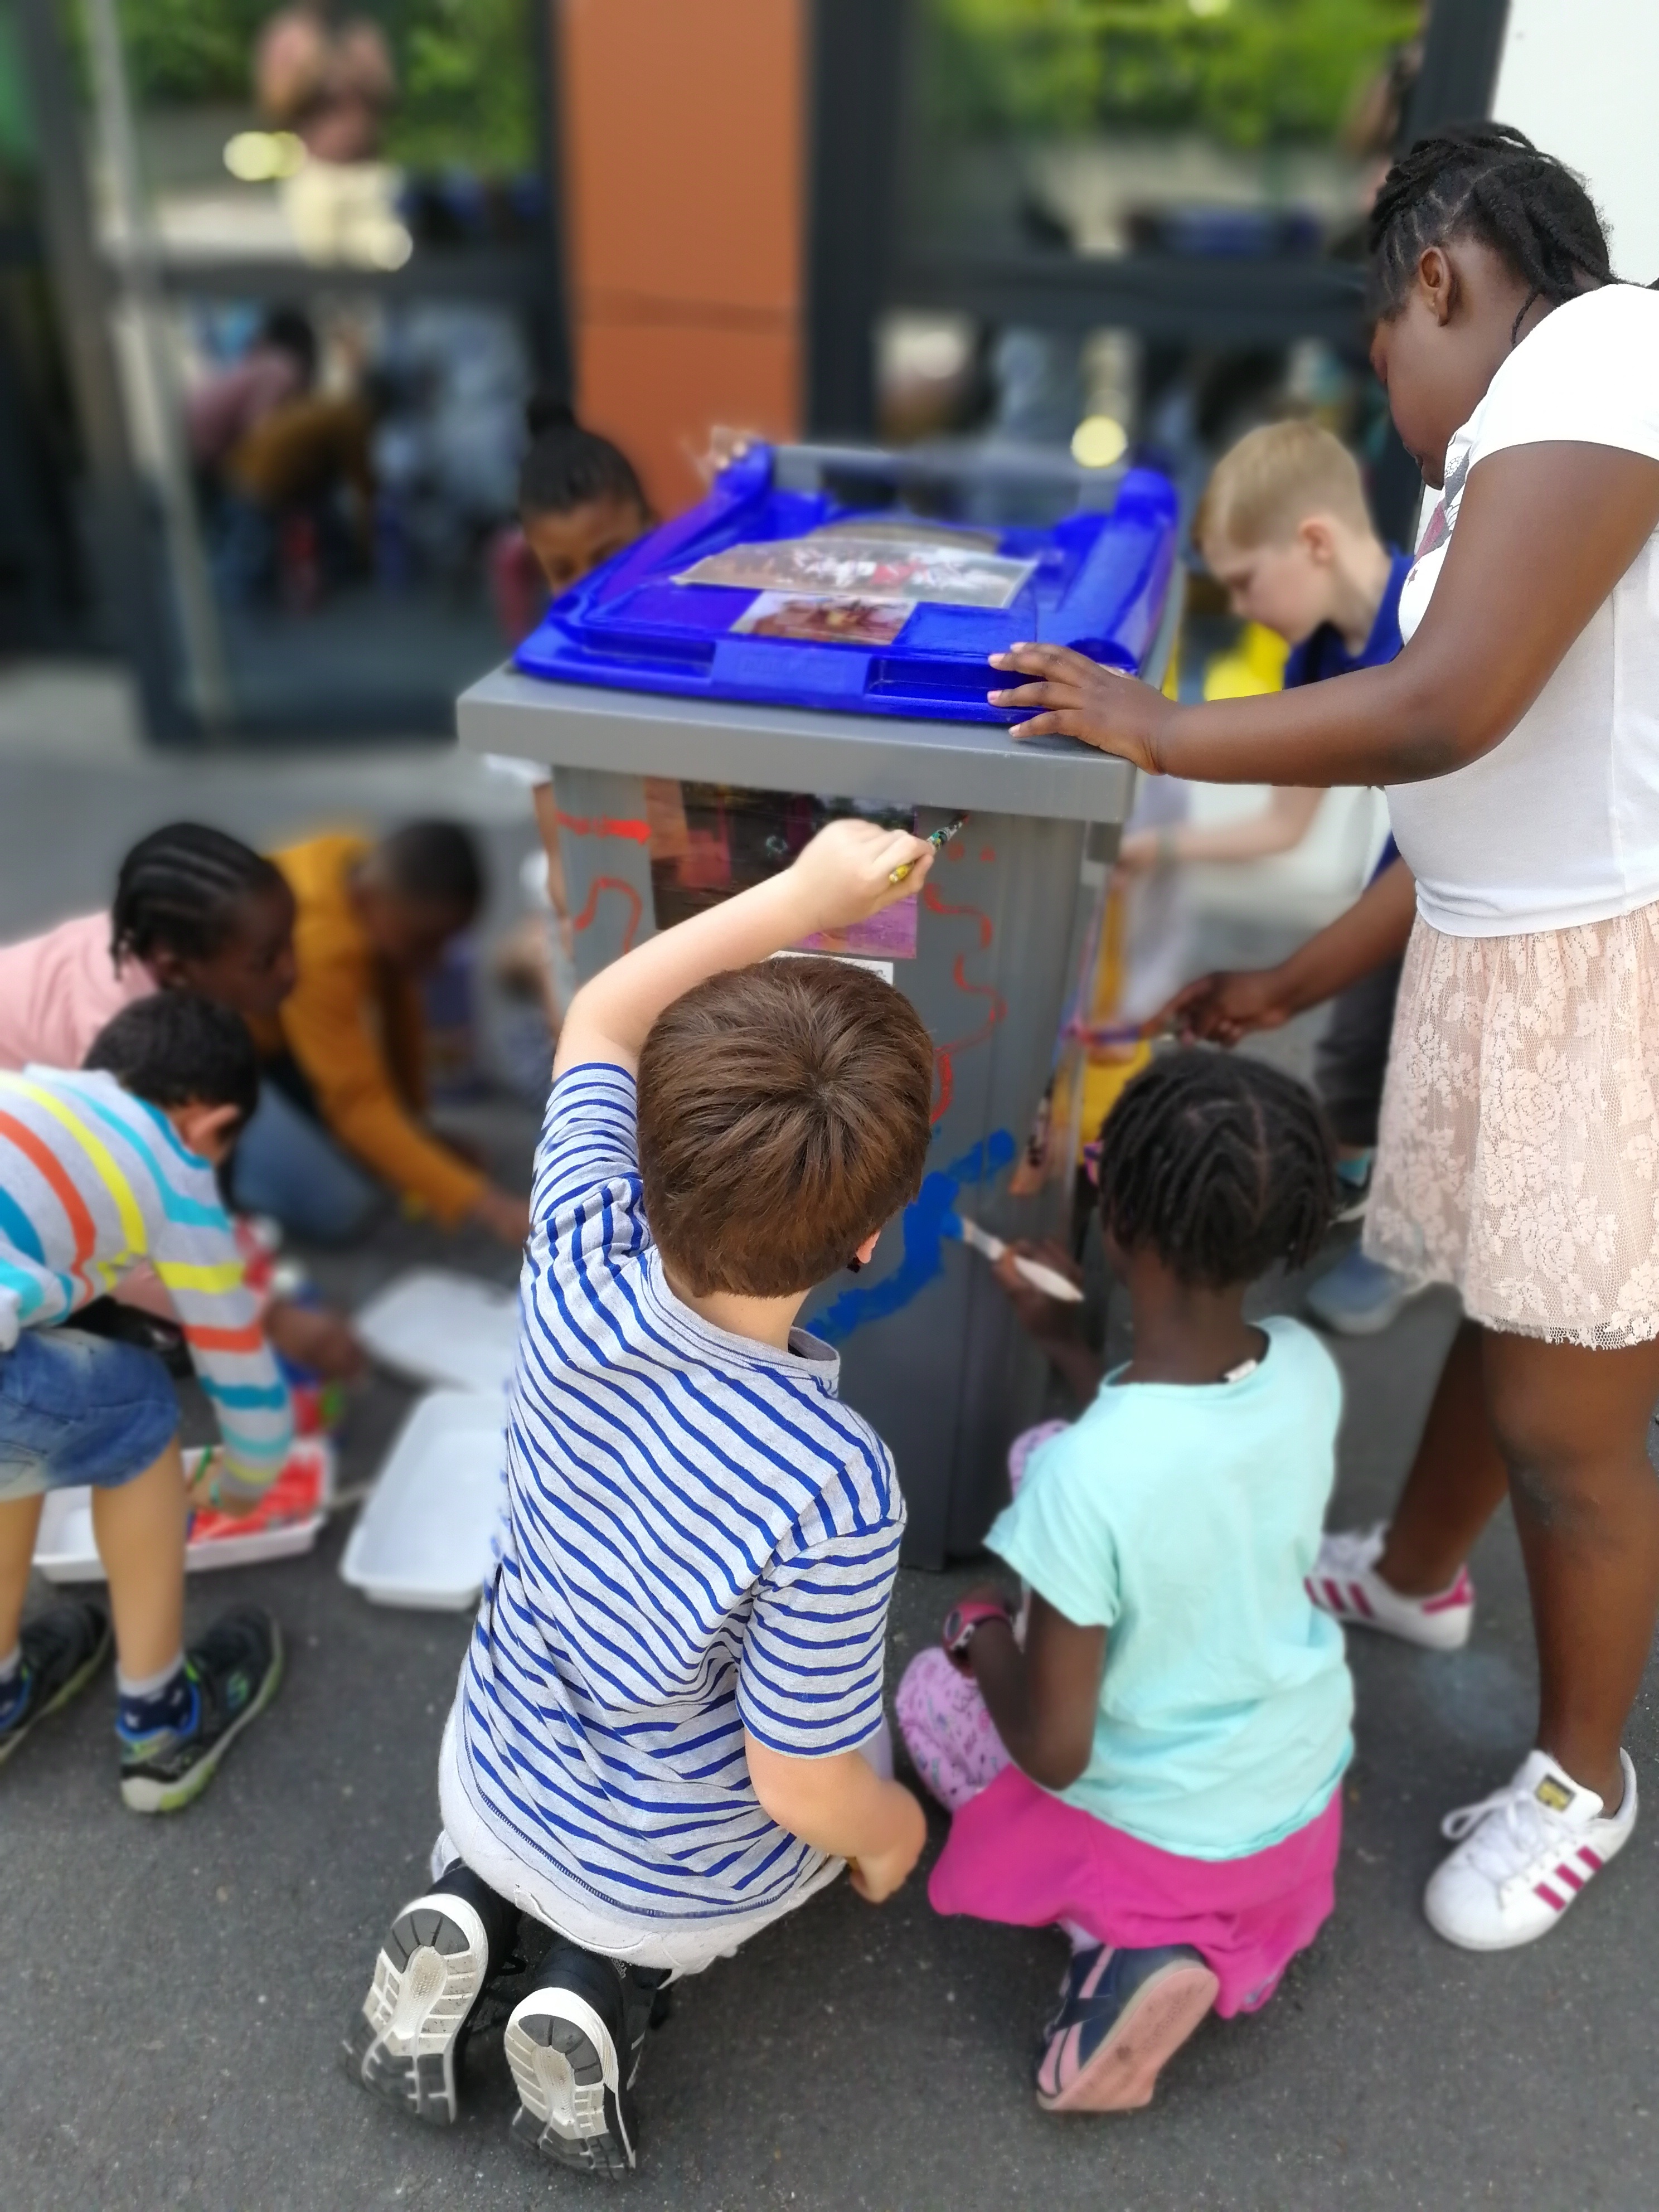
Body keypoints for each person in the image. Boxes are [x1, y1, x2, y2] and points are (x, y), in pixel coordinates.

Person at [987, 125, 1659, 1954]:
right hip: (1512, 952)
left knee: (1571, 1420)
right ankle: (1422, 1573)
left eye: (1382, 354)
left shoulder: (1602, 351)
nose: (1393, 403)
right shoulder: (1509, 452)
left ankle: (1581, 1779)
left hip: (1601, 988)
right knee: (1509, 1308)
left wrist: (1159, 729)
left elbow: (1442, 711)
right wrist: (1290, 982)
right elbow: (1475, 815)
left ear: (1437, 279)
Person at [344, 817, 937, 2175]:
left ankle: (472, 1898)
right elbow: (799, 1780)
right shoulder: (834, 1483)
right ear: (865, 1236)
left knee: (534, 1822)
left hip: (492, 1769)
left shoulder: (579, 1243)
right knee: (855, 1752)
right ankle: (604, 1984)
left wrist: (802, 892)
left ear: (648, 1154)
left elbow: (606, 1012)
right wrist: (893, 1832)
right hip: (662, 1875)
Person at [897, 1053, 1351, 2113]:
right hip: (1291, 1799)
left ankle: (1125, 1944)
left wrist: (983, 1635)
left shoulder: (1088, 1480)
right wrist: (1065, 1342)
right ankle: (1194, 1926)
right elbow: (1177, 1457)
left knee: (924, 1695)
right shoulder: (1302, 1366)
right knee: (1050, 1457)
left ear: (1116, 1217)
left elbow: (1056, 1748)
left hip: (1166, 1837)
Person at [1123, 418, 1414, 1336]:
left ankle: (1408, 1238)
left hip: (1488, 875)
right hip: (1415, 856)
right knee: (1358, 1041)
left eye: (1247, 581)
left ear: (1314, 541)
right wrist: (1154, 850)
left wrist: (1283, 986)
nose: (1242, 610)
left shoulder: (1433, 622)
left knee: (1437, 1064)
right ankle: (1351, 1175)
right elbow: (1286, 824)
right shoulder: (1318, 650)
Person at [0, 993, 288, 1807]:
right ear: (209, 1122)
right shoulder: (176, 1167)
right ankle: (161, 1721)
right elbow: (238, 1366)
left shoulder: (31, 1095)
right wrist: (241, 1480)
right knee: (139, 1409)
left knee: (41, 1414)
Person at [0, 822, 360, 1379]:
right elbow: (119, 1230)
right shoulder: (114, 1049)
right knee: (123, 1332)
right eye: (266, 959)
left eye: (291, 941)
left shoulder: (175, 949)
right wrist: (268, 1316)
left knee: (305, 1192)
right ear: (175, 969)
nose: (292, 969)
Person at [232, 821, 528, 1248]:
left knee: (382, 1152)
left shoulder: (357, 863)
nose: (437, 961)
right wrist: (490, 1207)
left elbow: (398, 1000)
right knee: (343, 1207)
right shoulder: (318, 943)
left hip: (274, 1041)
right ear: (368, 900)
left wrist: (420, 1133)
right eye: (426, 941)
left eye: (446, 942)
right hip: (206, 1066)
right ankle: (189, 1170)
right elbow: (355, 1103)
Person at [488, 399, 656, 1032]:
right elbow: (564, 858)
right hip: (594, 912)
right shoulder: (544, 683)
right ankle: (532, 958)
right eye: (563, 570)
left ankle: (523, 957)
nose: (590, 585)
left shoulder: (693, 647)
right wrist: (582, 940)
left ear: (654, 528)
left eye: (609, 557)